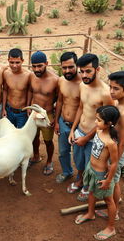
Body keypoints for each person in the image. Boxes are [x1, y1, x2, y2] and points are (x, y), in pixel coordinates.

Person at [67, 53, 113, 201]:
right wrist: (73, 130)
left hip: (94, 138)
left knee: (91, 165)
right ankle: (79, 180)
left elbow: (106, 123)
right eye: (81, 71)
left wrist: (86, 138)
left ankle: (87, 186)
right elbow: (81, 108)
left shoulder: (106, 93)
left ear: (97, 69)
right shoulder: (82, 85)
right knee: (79, 161)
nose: (84, 75)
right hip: (80, 131)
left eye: (88, 71)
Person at [75, 105, 120, 241]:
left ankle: (111, 228)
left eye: (99, 120)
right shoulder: (99, 131)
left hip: (101, 175)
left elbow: (114, 163)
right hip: (92, 169)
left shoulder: (111, 143)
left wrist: (108, 180)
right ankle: (90, 213)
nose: (96, 122)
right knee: (91, 191)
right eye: (96, 119)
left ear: (109, 123)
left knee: (109, 201)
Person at [95, 71, 124, 221]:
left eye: (116, 88)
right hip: (113, 150)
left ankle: (114, 211)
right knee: (113, 180)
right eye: (110, 87)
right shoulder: (119, 104)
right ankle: (112, 206)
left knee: (114, 182)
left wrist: (114, 162)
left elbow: (123, 141)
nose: (111, 91)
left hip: (118, 152)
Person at [27, 51, 59, 175]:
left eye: (40, 65)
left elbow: (59, 99)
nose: (37, 69)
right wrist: (29, 106)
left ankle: (49, 161)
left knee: (48, 140)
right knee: (34, 137)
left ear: (46, 63)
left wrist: (55, 117)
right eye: (34, 66)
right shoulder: (32, 77)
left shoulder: (55, 80)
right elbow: (30, 91)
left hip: (48, 115)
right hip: (34, 113)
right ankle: (36, 156)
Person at [54, 52, 81, 183]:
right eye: (64, 68)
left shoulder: (83, 84)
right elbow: (59, 101)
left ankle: (80, 178)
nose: (67, 70)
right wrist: (57, 121)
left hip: (79, 127)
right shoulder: (61, 80)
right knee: (63, 152)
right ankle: (67, 172)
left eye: (71, 67)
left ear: (77, 65)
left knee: (78, 156)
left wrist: (75, 129)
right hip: (63, 123)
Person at [2, 48, 33, 128]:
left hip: (22, 112)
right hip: (9, 110)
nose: (14, 65)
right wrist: (3, 108)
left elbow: (30, 91)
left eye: (17, 62)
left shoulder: (28, 75)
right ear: (8, 60)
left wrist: (28, 107)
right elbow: (5, 90)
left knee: (20, 134)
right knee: (10, 134)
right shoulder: (6, 73)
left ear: (22, 61)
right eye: (11, 62)